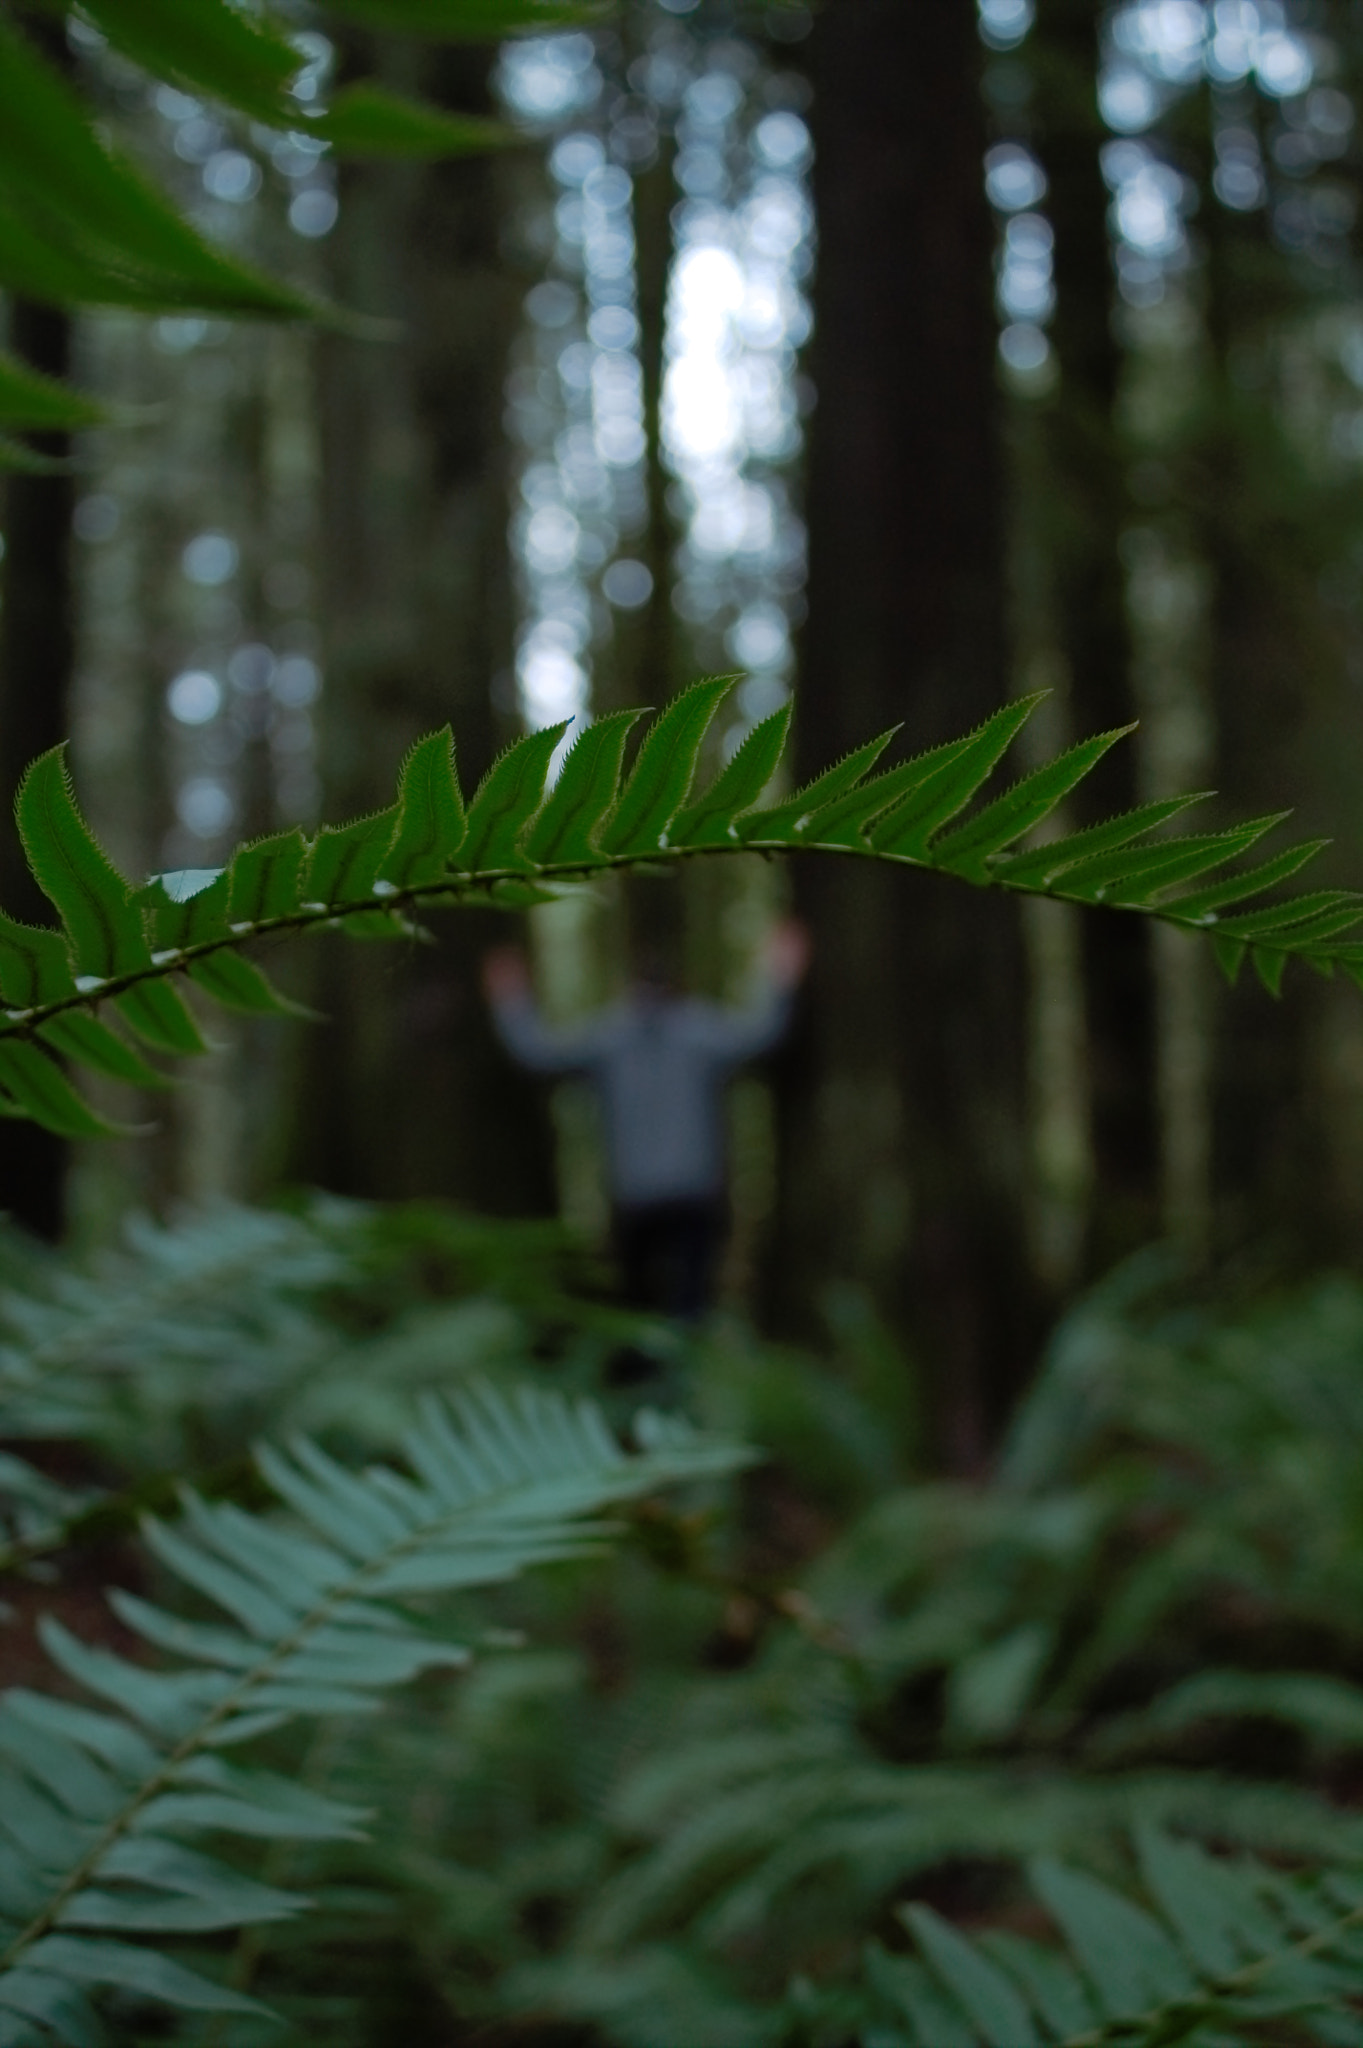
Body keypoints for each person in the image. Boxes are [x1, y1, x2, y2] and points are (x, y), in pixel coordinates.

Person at [482, 920, 810, 1322]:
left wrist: (511, 1000)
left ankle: (660, 1374)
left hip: (653, 1196)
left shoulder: (626, 1036)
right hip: (680, 1195)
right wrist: (780, 975)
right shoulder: (683, 1032)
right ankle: (672, 1372)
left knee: (645, 1306)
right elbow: (763, 1036)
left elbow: (538, 1056)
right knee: (678, 1304)